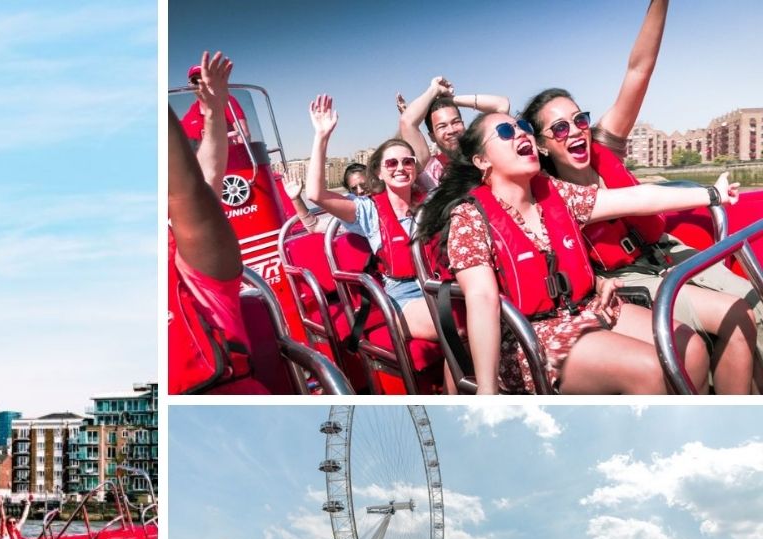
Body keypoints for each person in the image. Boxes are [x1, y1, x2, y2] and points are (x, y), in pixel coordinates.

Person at [522, 1, 760, 393]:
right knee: (737, 315)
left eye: (580, 120)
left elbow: (639, 69)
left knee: (758, 304)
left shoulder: (604, 146)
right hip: (625, 277)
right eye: (560, 128)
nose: (576, 131)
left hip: (666, 250)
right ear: (543, 145)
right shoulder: (548, 192)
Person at [415, 112, 739, 394]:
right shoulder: (470, 217)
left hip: (588, 308)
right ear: (481, 160)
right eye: (505, 132)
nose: (522, 133)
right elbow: (482, 300)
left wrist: (713, 194)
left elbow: (635, 199)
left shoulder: (556, 193)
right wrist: (487, 391)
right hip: (529, 334)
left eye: (524, 126)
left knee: (691, 349)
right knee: (649, 369)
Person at [305, 94, 439, 347]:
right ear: (378, 171)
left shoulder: (431, 200)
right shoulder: (369, 211)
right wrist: (321, 136)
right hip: (403, 295)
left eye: (407, 162)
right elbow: (315, 194)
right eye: (391, 163)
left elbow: (415, 138)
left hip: (440, 283)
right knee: (456, 323)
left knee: (481, 316)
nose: (400, 167)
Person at [168, 54, 266, 395]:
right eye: (194, 81)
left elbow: (197, 184)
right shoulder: (186, 117)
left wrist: (215, 110)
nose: (198, 85)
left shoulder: (230, 105)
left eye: (201, 80)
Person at [398, 76, 510, 192]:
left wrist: (451, 99)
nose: (451, 130)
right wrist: (434, 89)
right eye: (442, 126)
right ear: (432, 136)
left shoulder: (483, 154)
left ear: (464, 125)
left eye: (455, 122)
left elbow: (502, 105)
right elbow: (407, 121)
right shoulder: (430, 168)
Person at [180, 58, 250, 144]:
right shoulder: (189, 116)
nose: (201, 83)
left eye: (204, 78)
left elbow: (244, 134)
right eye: (195, 80)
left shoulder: (226, 101)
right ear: (190, 85)